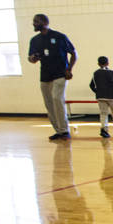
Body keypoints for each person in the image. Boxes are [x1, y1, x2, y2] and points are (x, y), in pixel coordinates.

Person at [27, 13, 76, 141]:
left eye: (36, 21)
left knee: (57, 99)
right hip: (45, 75)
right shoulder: (35, 40)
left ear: (44, 22)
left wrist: (69, 69)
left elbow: (73, 53)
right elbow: (30, 59)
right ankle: (58, 131)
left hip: (60, 74)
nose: (33, 24)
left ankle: (65, 131)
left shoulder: (59, 37)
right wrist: (33, 58)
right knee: (49, 104)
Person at [89, 56, 113, 138]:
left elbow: (91, 85)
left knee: (103, 113)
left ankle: (104, 129)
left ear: (98, 64)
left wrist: (97, 91)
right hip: (112, 97)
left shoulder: (95, 73)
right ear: (108, 63)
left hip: (101, 96)